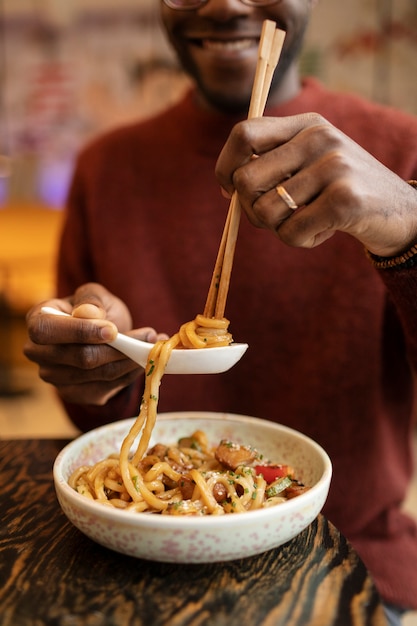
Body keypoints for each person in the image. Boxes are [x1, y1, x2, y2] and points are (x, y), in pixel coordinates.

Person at [24, 0, 417, 622]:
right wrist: (100, 360)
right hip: (138, 557)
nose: (226, 3)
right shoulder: (106, 166)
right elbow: (92, 419)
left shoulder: (402, 148)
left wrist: (407, 229)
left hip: (354, 559)